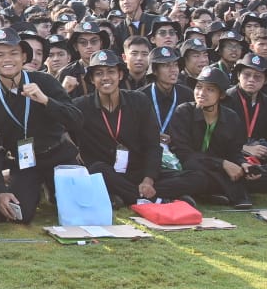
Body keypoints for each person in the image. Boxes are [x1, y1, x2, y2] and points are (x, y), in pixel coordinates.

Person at [0, 28, 81, 223]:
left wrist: (46, 101)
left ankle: (53, 189)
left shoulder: (44, 81)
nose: (7, 59)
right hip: (25, 162)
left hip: (58, 155)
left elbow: (76, 119)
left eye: (14, 53)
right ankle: (33, 189)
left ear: (24, 56)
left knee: (78, 211)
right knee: (19, 214)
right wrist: (0, 191)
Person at [73, 50, 201, 206]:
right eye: (99, 73)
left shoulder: (138, 100)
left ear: (120, 75)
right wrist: (75, 148)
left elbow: (153, 145)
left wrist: (148, 180)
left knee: (197, 177)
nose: (105, 77)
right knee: (97, 171)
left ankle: (127, 195)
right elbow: (60, 126)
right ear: (92, 79)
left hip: (138, 171)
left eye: (111, 72)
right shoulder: (80, 105)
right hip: (108, 172)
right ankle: (153, 199)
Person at [168, 67, 254, 208]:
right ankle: (228, 190)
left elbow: (234, 152)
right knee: (197, 177)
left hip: (221, 170)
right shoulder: (184, 111)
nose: (202, 93)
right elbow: (184, 155)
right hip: (191, 167)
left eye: (210, 89)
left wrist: (243, 164)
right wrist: (222, 164)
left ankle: (212, 191)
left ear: (221, 95)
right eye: (199, 87)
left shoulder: (231, 117)